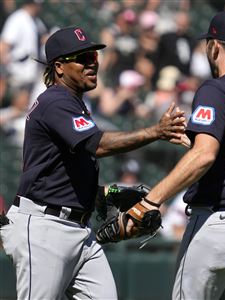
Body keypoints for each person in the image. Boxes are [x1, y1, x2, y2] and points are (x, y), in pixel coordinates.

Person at [0, 26, 186, 299]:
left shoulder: (73, 104)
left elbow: (65, 168)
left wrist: (99, 195)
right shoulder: (55, 100)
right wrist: (156, 132)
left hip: (78, 230)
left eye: (94, 57)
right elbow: (96, 145)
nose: (92, 63)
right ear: (59, 68)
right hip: (44, 228)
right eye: (82, 57)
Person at [127, 10, 225, 300]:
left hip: (220, 224)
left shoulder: (217, 88)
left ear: (214, 46)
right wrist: (196, 140)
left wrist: (152, 200)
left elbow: (205, 156)